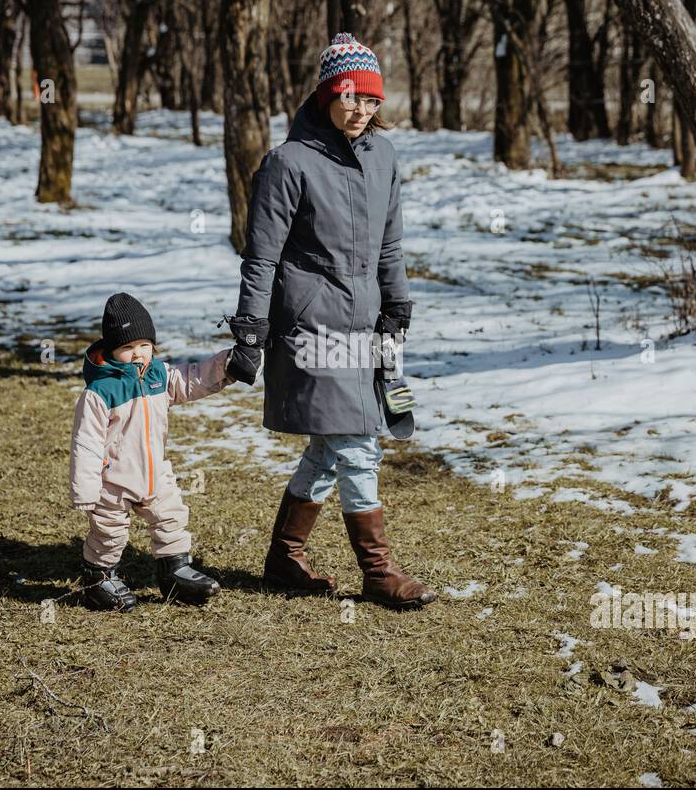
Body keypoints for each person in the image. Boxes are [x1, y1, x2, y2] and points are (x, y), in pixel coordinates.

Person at [227, 32, 437, 610]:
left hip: (363, 322)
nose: (360, 110)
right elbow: (261, 257)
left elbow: (389, 245)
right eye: (349, 96)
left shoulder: (384, 158)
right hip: (309, 325)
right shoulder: (288, 162)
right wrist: (250, 332)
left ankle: (283, 559)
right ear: (325, 93)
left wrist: (396, 308)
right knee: (356, 440)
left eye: (371, 101)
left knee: (330, 443)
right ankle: (378, 571)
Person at [70, 292, 238, 610]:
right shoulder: (100, 392)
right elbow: (86, 443)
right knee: (109, 533)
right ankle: (99, 579)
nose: (138, 355)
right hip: (113, 479)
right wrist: (85, 490)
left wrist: (226, 366)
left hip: (155, 472)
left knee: (171, 518)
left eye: (144, 346)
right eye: (127, 348)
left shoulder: (158, 375)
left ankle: (175, 571)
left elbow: (191, 379)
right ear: (111, 349)